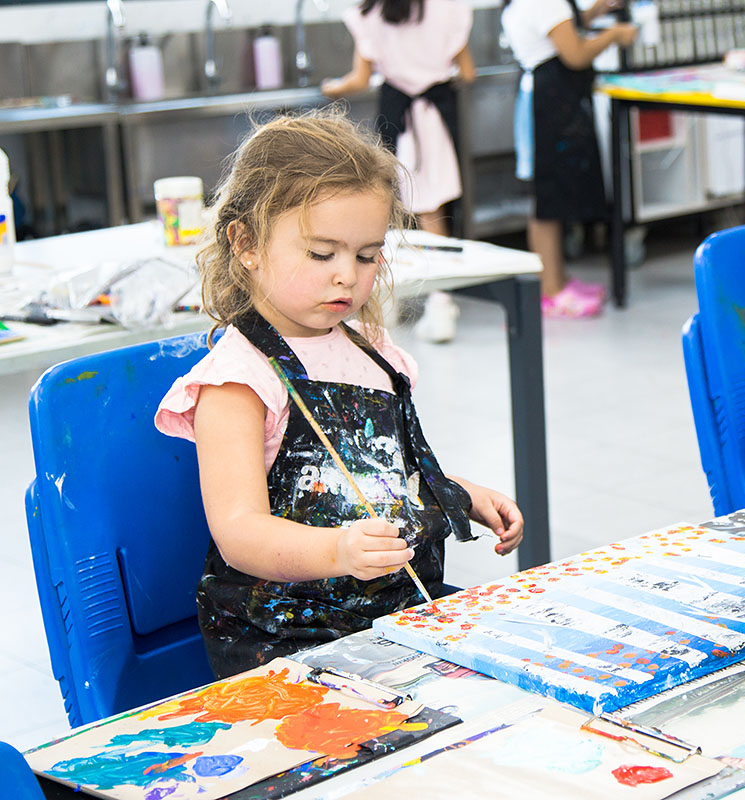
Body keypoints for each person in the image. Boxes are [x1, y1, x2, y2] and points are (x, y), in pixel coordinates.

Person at [154, 113, 523, 678]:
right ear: (246, 243)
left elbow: (383, 472)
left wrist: (461, 493)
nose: (347, 276)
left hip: (393, 616)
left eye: (367, 255)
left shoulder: (371, 350)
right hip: (287, 640)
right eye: (322, 255)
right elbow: (239, 534)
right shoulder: (238, 380)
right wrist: (339, 553)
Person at [322, 0, 475, 343]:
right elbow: (467, 72)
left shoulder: (371, 14)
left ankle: (384, 303)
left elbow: (360, 79)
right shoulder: (448, 8)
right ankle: (441, 303)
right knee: (434, 216)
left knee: (386, 215)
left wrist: (333, 87)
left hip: (397, 121)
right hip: (435, 122)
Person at [501, 0, 636, 317]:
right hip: (550, 107)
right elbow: (574, 54)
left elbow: (558, 31)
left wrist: (593, 13)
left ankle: (556, 280)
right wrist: (614, 34)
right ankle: (551, 289)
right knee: (547, 200)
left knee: (550, 197)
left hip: (544, 101)